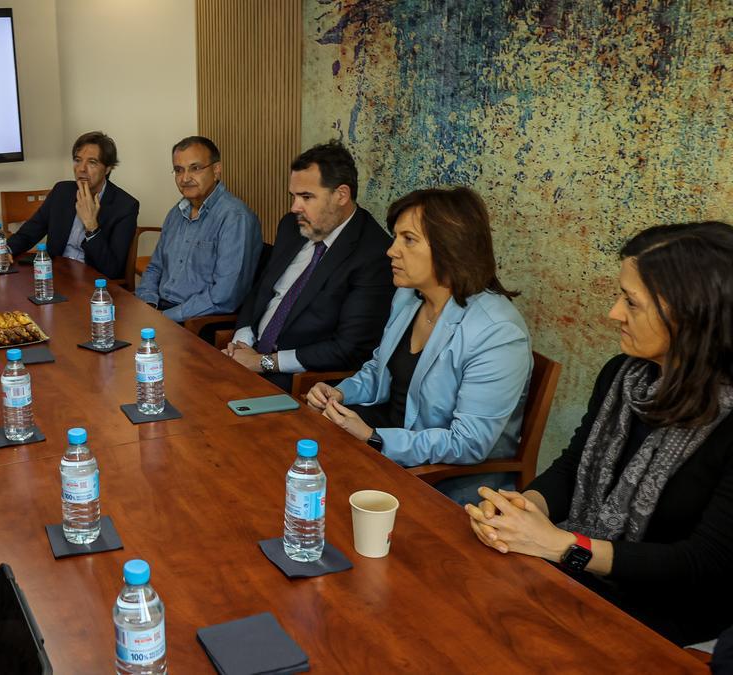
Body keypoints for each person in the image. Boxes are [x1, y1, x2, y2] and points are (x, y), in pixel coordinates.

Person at [465, 221, 733, 647]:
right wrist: (522, 508)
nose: (613, 313)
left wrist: (564, 546)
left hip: (670, 615)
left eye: (631, 301)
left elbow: (705, 563)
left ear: (692, 314)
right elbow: (574, 466)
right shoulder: (623, 377)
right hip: (582, 572)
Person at [306, 187, 532, 503]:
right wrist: (340, 392)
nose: (391, 250)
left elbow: (469, 443)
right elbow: (377, 369)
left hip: (444, 481)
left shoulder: (497, 333)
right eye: (396, 237)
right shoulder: (409, 297)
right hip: (388, 449)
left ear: (450, 247)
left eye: (408, 240)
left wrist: (373, 438)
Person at [223, 141, 392, 391]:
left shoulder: (373, 254)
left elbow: (347, 349)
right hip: (247, 357)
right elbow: (262, 289)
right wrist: (242, 340)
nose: (294, 207)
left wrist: (264, 363)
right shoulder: (292, 226)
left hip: (297, 380)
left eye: (306, 197)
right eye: (294, 196)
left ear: (341, 195)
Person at [135, 136, 262, 322]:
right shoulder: (176, 212)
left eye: (195, 168)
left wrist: (165, 318)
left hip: (195, 323)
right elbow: (155, 267)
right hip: (160, 312)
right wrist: (147, 304)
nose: (185, 178)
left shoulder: (235, 219)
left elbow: (225, 297)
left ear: (216, 170)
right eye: (179, 170)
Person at [6, 131, 140, 280]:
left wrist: (91, 226)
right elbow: (29, 233)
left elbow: (112, 270)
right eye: (78, 160)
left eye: (92, 162)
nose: (82, 169)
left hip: (93, 284)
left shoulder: (125, 206)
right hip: (56, 276)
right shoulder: (62, 192)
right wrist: (7, 250)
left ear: (108, 168)